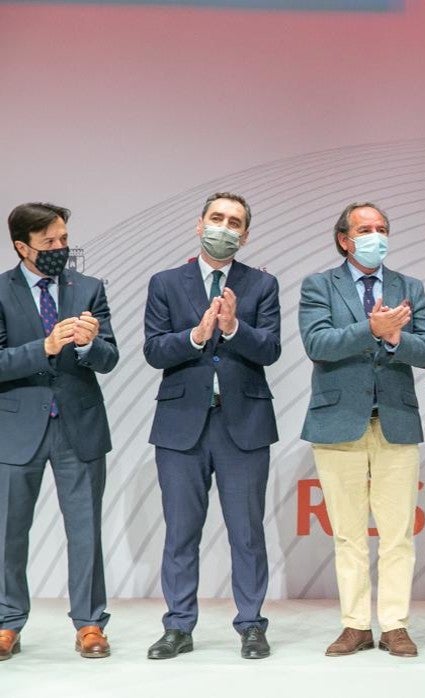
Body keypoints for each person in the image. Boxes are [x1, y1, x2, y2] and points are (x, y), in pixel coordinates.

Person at [299, 202, 425, 658]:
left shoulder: (408, 286)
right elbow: (317, 342)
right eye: (365, 229)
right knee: (348, 532)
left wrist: (396, 338)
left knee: (398, 532)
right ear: (344, 238)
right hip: (338, 421)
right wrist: (371, 329)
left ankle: (395, 624)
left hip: (395, 421)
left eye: (381, 228)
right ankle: (356, 624)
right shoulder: (319, 285)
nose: (375, 236)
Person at [143, 192, 280, 660]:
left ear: (245, 234)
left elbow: (271, 349)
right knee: (181, 531)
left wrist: (236, 327)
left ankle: (252, 626)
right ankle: (178, 627)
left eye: (235, 222)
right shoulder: (166, 282)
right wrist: (197, 336)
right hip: (182, 426)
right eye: (217, 218)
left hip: (244, 424)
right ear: (200, 224)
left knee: (247, 531)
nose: (225, 227)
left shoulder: (262, 284)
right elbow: (154, 350)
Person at [0, 203, 117, 661]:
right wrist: (43, 348)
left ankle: (89, 623)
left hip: (79, 426)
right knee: (10, 531)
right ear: (22, 246)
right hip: (17, 428)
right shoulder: (1, 291)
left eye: (64, 240)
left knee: (85, 529)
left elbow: (110, 359)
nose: (60, 249)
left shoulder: (88, 288)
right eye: (49, 242)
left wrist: (90, 344)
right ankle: (8, 621)